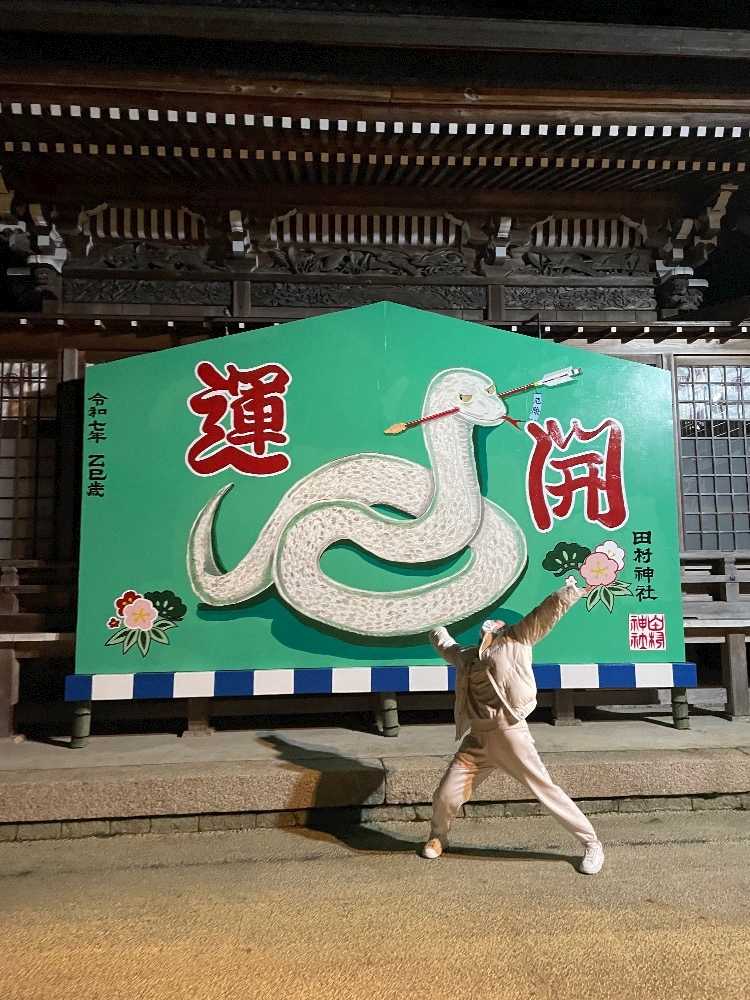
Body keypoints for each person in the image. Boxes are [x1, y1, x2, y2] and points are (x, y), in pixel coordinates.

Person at [423, 577, 605, 875]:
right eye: (488, 623)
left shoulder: (516, 640)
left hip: (510, 733)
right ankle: (438, 836)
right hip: (477, 739)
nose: (492, 624)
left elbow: (543, 614)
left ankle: (591, 843)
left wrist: (569, 592)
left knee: (545, 790)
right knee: (446, 794)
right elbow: (444, 645)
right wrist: (434, 624)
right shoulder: (467, 656)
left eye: (497, 623)